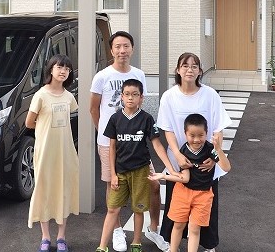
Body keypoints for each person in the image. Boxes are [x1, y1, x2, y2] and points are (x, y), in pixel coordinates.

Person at [91, 31, 169, 252]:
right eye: (117, 46)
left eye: (126, 46)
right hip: (111, 143)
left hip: (135, 144)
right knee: (112, 184)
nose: (122, 50)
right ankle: (116, 231)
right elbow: (93, 108)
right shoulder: (102, 76)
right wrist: (106, 133)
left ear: (132, 49)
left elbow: (142, 109)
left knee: (153, 183)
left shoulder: (139, 74)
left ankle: (153, 229)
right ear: (111, 50)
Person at [156, 53, 232, 252]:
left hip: (205, 162)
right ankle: (172, 244)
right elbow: (167, 130)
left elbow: (218, 128)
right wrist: (177, 155)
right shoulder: (169, 96)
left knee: (206, 205)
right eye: (185, 65)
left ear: (200, 71)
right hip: (180, 163)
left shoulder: (210, 95)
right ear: (178, 70)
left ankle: (208, 245)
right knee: (176, 206)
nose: (190, 70)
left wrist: (214, 158)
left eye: (194, 66)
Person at [97, 79, 177, 252]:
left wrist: (170, 168)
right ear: (121, 97)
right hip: (120, 172)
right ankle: (102, 246)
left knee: (138, 208)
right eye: (127, 94)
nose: (130, 98)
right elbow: (112, 146)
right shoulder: (115, 118)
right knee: (113, 208)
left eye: (135, 95)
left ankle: (136, 243)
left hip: (141, 171)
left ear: (141, 98)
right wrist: (112, 174)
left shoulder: (147, 119)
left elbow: (156, 144)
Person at [149, 114, 231, 252]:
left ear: (206, 133)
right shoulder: (184, 150)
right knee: (178, 225)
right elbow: (185, 178)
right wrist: (163, 176)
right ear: (185, 134)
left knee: (194, 228)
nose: (196, 139)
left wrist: (218, 149)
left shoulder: (210, 149)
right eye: (192, 135)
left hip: (203, 195)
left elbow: (226, 167)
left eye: (201, 135)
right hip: (182, 193)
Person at [26, 54, 79, 252]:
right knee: (44, 191)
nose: (63, 71)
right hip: (45, 152)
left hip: (65, 152)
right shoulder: (40, 95)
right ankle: (46, 237)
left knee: (63, 191)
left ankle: (62, 237)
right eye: (59, 67)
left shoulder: (69, 96)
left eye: (67, 68)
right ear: (50, 69)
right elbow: (29, 122)